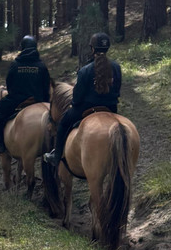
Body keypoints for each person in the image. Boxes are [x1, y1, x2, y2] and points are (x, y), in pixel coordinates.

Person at [44, 32, 122, 165]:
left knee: (63, 124)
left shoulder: (85, 70)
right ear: (107, 48)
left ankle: (56, 156)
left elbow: (77, 96)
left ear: (92, 49)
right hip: (111, 108)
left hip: (85, 108)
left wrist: (73, 104)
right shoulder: (116, 67)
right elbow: (117, 90)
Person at [0, 36, 52, 155]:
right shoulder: (41, 66)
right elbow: (46, 86)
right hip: (38, 100)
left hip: (17, 100)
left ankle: (0, 145)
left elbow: (10, 84)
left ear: (23, 48)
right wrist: (45, 100)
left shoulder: (15, 64)